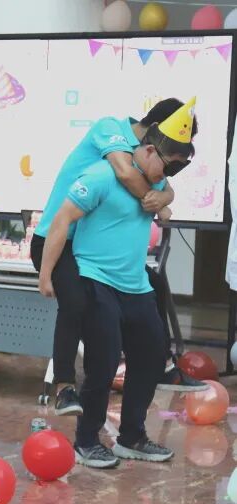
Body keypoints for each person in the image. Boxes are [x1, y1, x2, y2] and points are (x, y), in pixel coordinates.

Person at [39, 99, 196, 468]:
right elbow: (61, 221)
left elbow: (165, 194)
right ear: (148, 149)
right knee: (104, 361)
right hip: (96, 280)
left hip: (135, 285)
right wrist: (46, 274)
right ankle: (86, 441)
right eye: (170, 165)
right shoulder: (101, 175)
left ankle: (132, 437)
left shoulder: (155, 183)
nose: (169, 175)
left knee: (151, 356)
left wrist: (165, 196)